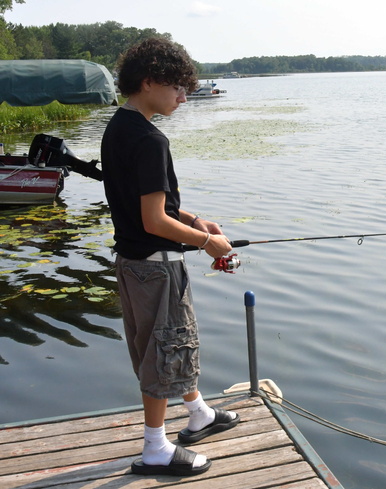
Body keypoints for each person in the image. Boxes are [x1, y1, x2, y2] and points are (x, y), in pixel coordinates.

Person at [101, 37, 239, 477]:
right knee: (164, 353)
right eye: (177, 87)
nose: (184, 96)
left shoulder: (119, 127)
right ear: (149, 82)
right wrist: (207, 244)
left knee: (167, 345)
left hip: (132, 264)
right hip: (156, 267)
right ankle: (155, 448)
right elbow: (155, 220)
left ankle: (198, 413)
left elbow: (148, 201)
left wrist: (198, 221)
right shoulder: (151, 140)